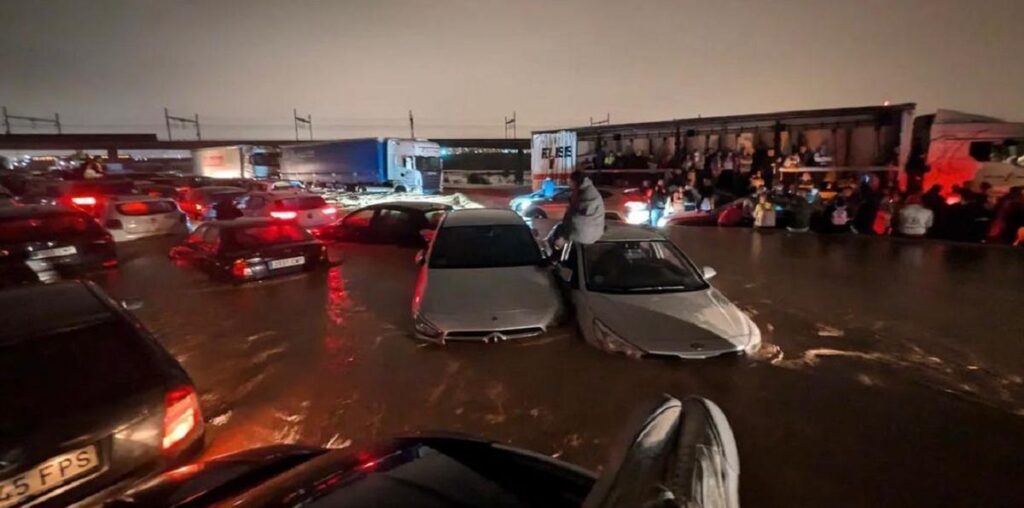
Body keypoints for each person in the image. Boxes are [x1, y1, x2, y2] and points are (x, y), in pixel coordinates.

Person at [549, 170, 606, 251]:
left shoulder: (587, 194)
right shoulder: (584, 190)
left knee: (560, 231)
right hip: (591, 232)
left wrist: (565, 232)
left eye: (570, 181)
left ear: (575, 181)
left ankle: (557, 248)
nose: (569, 183)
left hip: (586, 234)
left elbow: (578, 216)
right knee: (561, 228)